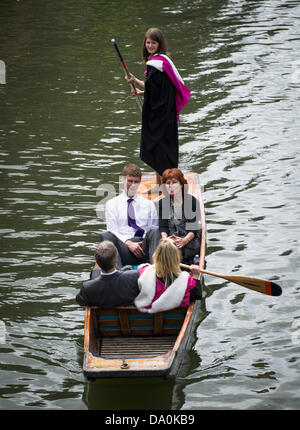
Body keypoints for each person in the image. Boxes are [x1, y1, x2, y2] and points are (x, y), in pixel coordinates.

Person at [125, 28, 190, 188]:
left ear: (159, 44)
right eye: (148, 42)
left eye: (153, 43)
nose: (150, 45)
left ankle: (165, 185)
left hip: (160, 117)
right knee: (160, 150)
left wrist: (137, 82)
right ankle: (159, 183)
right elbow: (159, 90)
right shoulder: (163, 62)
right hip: (166, 114)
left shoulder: (156, 65)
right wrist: (141, 90)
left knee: (158, 150)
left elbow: (154, 90)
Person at [102, 163, 158, 267]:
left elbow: (152, 230)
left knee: (155, 231)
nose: (133, 185)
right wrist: (128, 243)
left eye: (136, 182)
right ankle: (117, 272)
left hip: (143, 247)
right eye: (130, 181)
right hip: (123, 247)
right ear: (123, 180)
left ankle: (155, 270)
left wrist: (138, 244)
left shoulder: (149, 204)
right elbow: (113, 230)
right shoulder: (112, 204)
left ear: (140, 182)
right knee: (106, 235)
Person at [146, 168, 201, 265]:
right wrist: (166, 239)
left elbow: (193, 229)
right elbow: (163, 227)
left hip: (188, 240)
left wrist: (184, 240)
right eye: (168, 183)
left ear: (181, 184)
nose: (171, 186)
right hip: (171, 240)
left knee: (176, 251)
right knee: (161, 248)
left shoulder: (191, 201)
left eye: (174, 182)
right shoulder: (164, 203)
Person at [134, 238, 202, 313]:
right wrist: (195, 275)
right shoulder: (186, 281)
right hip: (175, 319)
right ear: (177, 258)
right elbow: (197, 295)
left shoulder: (144, 272)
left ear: (156, 255)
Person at [75, 241, 140, 307]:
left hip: (102, 315)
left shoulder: (87, 288)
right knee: (128, 268)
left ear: (97, 262)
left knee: (95, 271)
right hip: (128, 314)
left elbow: (80, 301)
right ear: (116, 260)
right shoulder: (135, 276)